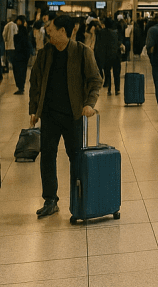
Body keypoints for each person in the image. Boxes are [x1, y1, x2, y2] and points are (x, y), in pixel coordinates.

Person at [28, 14, 102, 218]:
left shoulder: (81, 52)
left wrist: (89, 104)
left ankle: (79, 200)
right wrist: (34, 109)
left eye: (51, 29)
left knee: (76, 158)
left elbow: (95, 80)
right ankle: (50, 200)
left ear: (63, 31)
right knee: (47, 157)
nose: (48, 31)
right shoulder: (45, 53)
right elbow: (35, 82)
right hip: (50, 115)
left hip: (73, 116)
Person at [94, 18, 122, 97]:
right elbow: (117, 43)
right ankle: (117, 89)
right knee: (116, 73)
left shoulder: (101, 33)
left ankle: (109, 89)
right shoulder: (115, 33)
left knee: (107, 73)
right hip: (115, 55)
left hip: (106, 56)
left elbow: (99, 45)